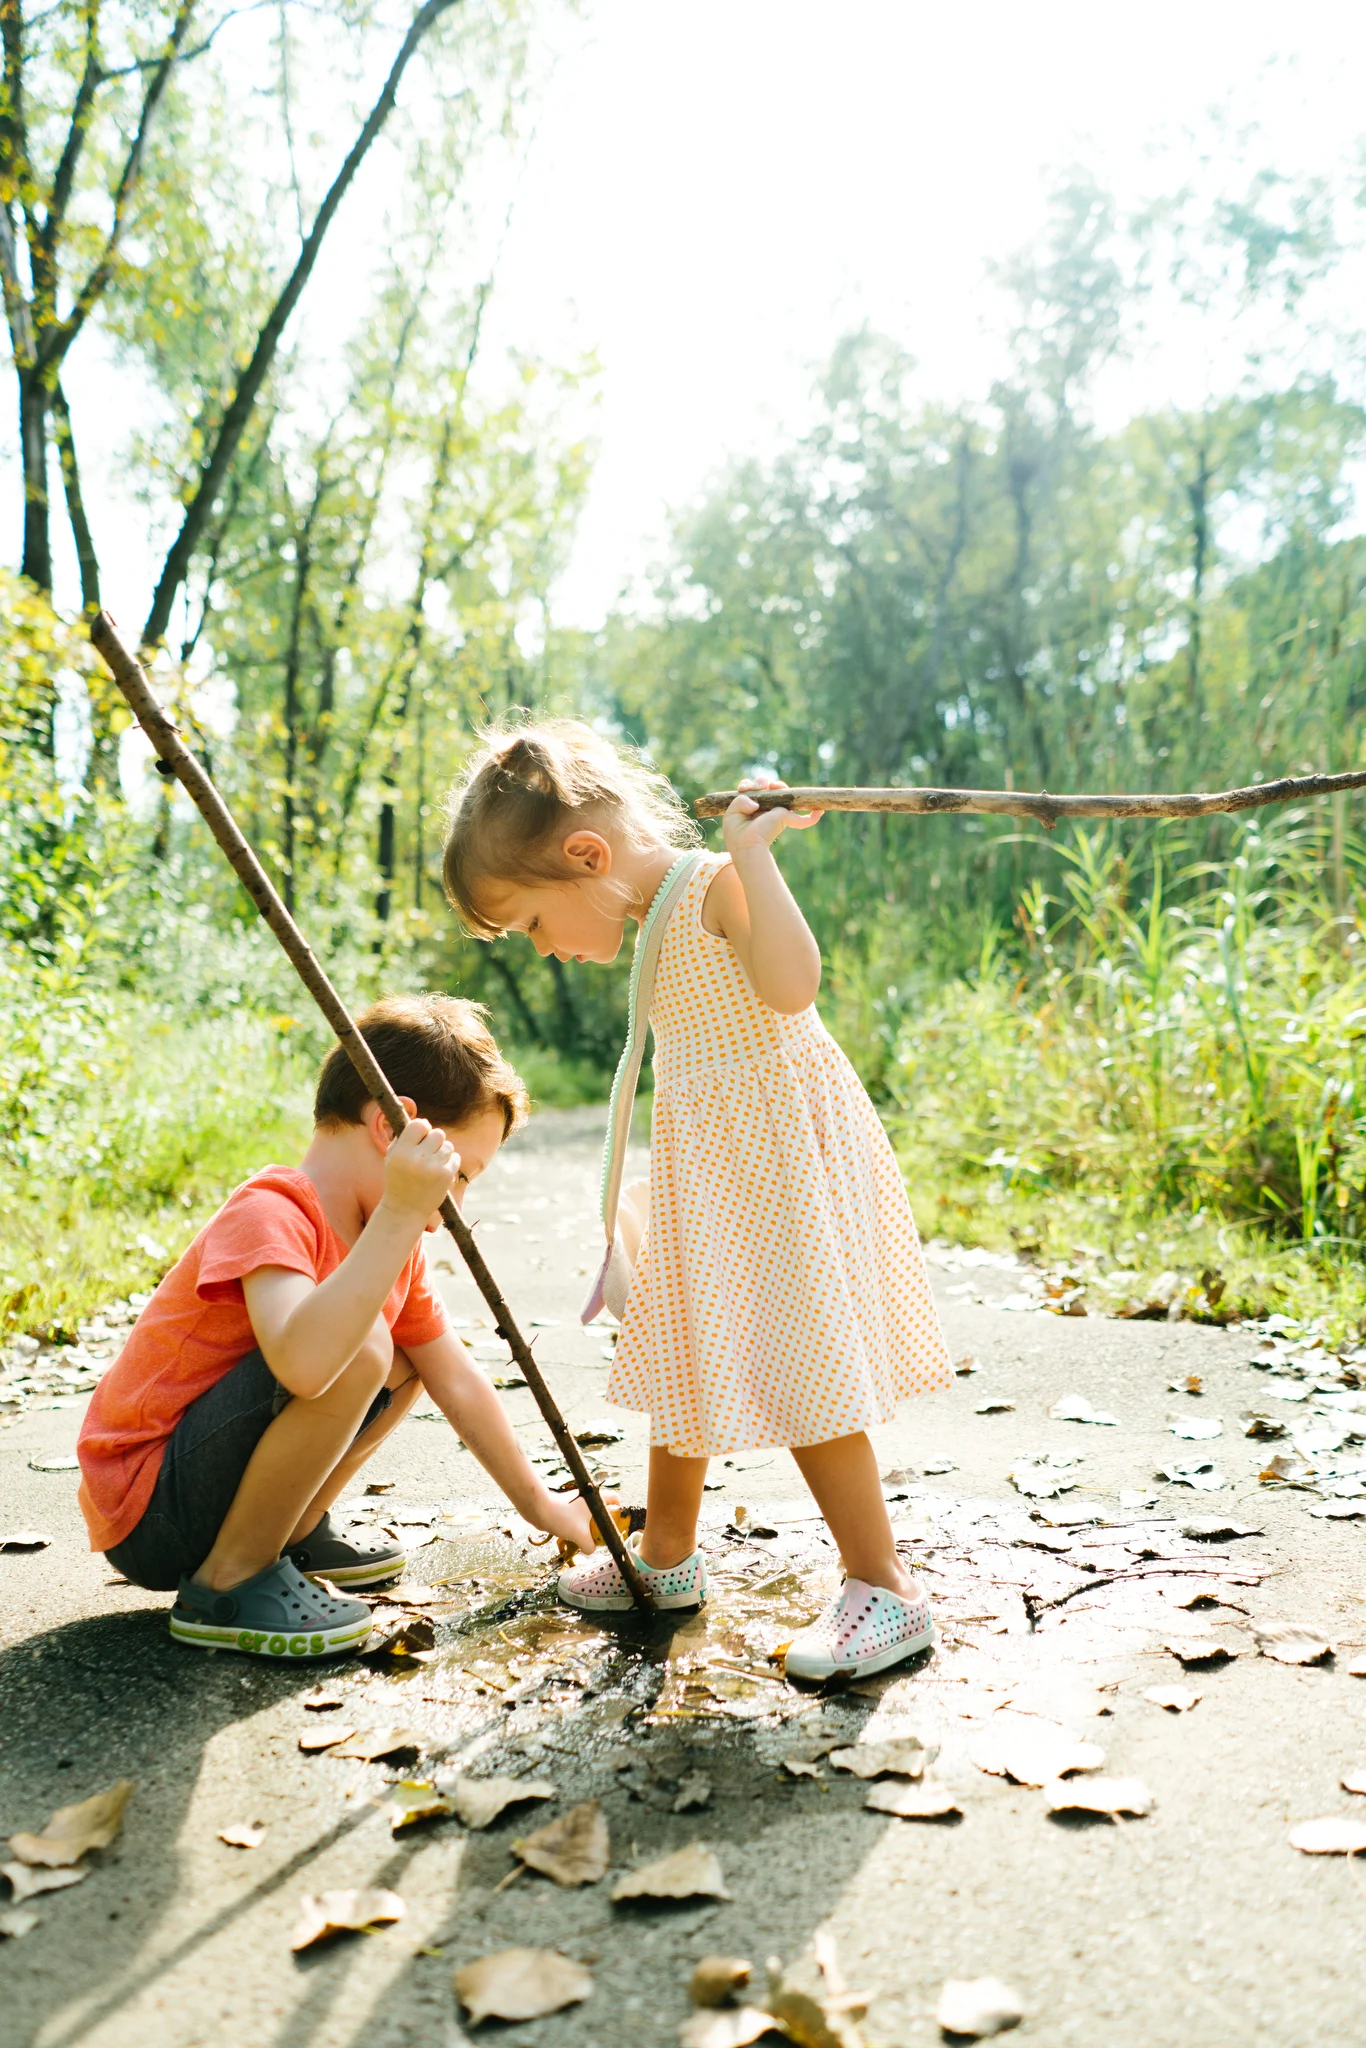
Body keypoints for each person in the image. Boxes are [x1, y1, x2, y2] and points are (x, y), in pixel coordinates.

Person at [441, 725, 954, 1682]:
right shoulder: (658, 914)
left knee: (804, 1356)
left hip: (783, 1171)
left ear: (586, 858)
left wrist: (757, 864)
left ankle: (886, 1585)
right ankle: (668, 1557)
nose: (547, 952)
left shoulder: (713, 885)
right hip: (722, 1173)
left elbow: (792, 988)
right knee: (679, 1345)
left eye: (535, 926)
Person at [77, 995, 597, 1659]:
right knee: (359, 1347)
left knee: (406, 1356)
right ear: (392, 1130)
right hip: (149, 1506)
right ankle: (231, 1579)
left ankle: (287, 1530)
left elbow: (455, 1380)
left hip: (204, 1485)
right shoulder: (271, 1211)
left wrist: (543, 1506)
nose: (452, 1213)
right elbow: (303, 1363)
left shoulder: (392, 1242)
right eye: (453, 1178)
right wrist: (401, 1214)